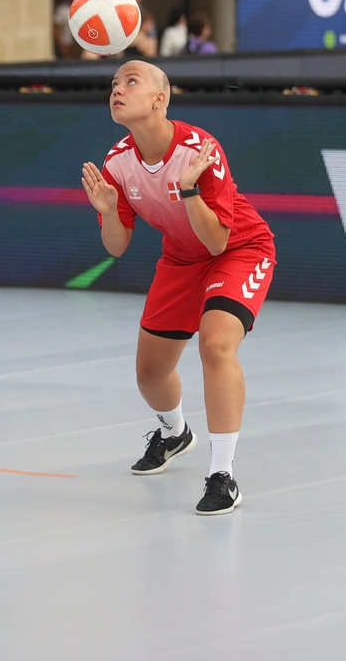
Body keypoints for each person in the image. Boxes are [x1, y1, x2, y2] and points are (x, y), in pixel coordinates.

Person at [80, 60, 276, 515]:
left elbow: (217, 239)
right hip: (182, 260)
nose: (118, 89)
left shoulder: (199, 149)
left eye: (131, 82)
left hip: (239, 249)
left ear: (159, 99)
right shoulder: (117, 163)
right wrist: (109, 211)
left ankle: (222, 475)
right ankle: (174, 433)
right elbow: (116, 248)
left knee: (216, 345)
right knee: (149, 373)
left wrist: (189, 191)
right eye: (114, 83)